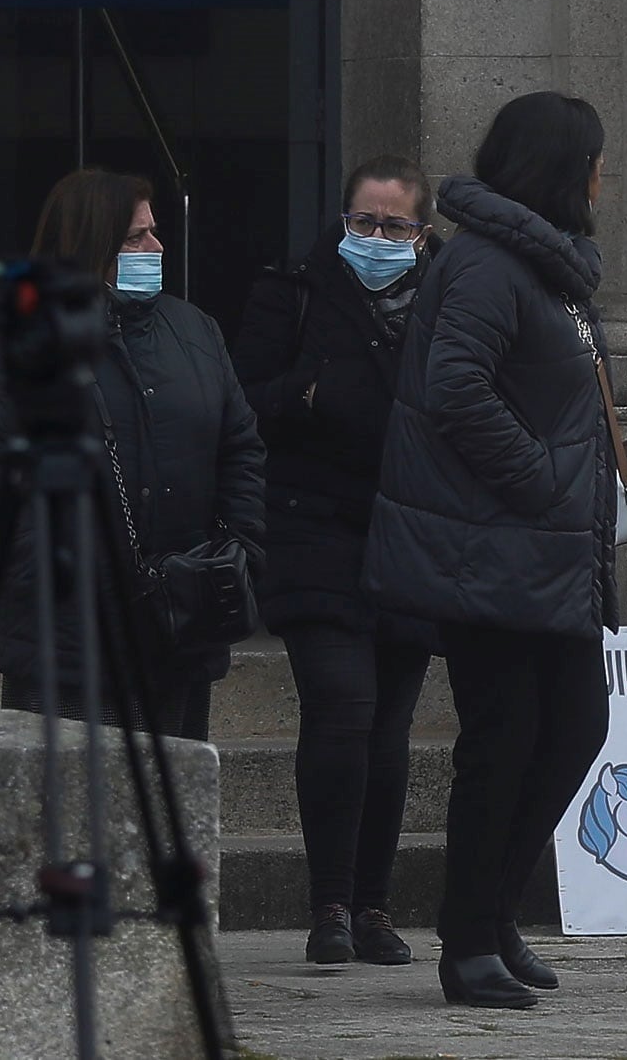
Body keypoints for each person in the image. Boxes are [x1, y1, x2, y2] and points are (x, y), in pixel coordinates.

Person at [363, 91, 617, 1010]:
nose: (603, 176)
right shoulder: (484, 267)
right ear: (560, 168)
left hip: (550, 555)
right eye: (593, 158)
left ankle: (493, 913)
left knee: (574, 728)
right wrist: (545, 481)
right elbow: (456, 391)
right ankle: (467, 940)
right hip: (493, 551)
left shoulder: (552, 272)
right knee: (502, 742)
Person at [0, 167, 265, 741]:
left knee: (175, 807)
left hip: (178, 625)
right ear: (89, 244)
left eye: (153, 231)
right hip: (68, 639)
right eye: (135, 237)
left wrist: (236, 549)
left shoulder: (193, 331)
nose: (156, 247)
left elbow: (240, 446)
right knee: (66, 820)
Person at [232, 155, 439, 968]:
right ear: (342, 218)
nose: (377, 238)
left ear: (423, 234)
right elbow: (242, 399)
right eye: (363, 222)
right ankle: (328, 904)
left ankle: (374, 904)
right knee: (341, 708)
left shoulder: (446, 302)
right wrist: (306, 393)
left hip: (410, 532)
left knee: (389, 726)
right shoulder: (294, 291)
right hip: (312, 528)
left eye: (395, 226)